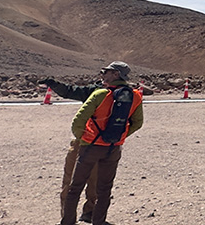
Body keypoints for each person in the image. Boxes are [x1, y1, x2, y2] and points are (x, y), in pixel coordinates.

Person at [59, 61, 143, 225]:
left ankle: (68, 221)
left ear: (116, 75)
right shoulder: (135, 96)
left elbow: (78, 120)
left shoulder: (100, 94)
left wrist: (83, 139)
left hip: (90, 147)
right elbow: (137, 123)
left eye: (106, 71)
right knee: (104, 189)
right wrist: (120, 137)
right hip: (113, 149)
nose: (102, 74)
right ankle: (98, 221)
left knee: (75, 187)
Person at [41, 75, 101, 223]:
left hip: (100, 143)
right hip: (86, 141)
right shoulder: (94, 90)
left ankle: (89, 212)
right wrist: (54, 84)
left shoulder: (122, 94)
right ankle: (67, 217)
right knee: (71, 181)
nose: (103, 75)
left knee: (95, 182)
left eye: (108, 72)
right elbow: (70, 91)